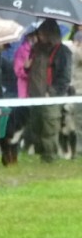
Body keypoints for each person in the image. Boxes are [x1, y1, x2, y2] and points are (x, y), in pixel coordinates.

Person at [25, 18, 72, 163]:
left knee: (49, 128)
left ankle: (49, 157)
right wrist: (27, 67)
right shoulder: (36, 49)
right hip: (35, 96)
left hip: (51, 97)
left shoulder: (62, 51)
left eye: (43, 34)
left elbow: (64, 77)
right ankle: (40, 154)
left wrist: (51, 93)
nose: (40, 37)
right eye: (40, 34)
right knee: (36, 126)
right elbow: (32, 71)